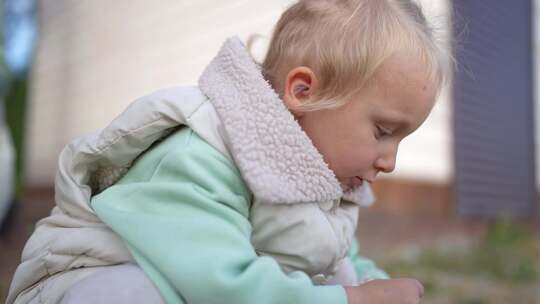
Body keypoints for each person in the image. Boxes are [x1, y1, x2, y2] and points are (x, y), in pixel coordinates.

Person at [6, 0, 450, 303]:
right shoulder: (201, 155)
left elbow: (338, 256)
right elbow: (217, 285)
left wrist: (374, 283)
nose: (389, 162)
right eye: (384, 131)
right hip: (80, 283)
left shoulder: (323, 180)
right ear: (304, 92)